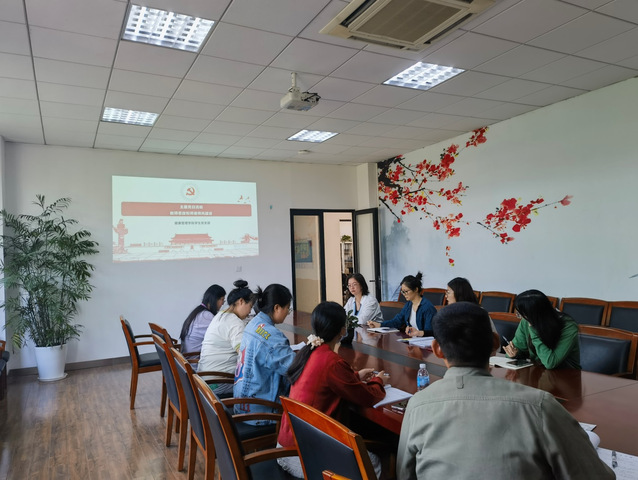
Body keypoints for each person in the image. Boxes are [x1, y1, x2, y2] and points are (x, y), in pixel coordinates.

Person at [396, 302, 614, 480]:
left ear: (437, 349)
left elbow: (404, 474)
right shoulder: (539, 405)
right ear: (495, 343)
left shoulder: (418, 405)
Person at [277, 301, 388, 478]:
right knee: (374, 463)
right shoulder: (332, 362)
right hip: (303, 456)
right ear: (342, 330)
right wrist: (378, 381)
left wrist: (355, 376)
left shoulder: (309, 351)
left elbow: (324, 379)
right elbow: (367, 397)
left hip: (288, 447)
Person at [234, 283, 296, 422]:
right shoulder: (272, 336)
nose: (288, 312)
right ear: (277, 308)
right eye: (288, 308)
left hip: (242, 405)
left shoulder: (253, 323)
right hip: (260, 413)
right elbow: (294, 368)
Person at [198, 280, 254, 396]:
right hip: (217, 384)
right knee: (261, 384)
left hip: (204, 380)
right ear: (241, 301)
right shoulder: (235, 323)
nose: (250, 312)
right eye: (250, 306)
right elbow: (245, 356)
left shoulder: (221, 315)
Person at [504, 289, 581, 369]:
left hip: (566, 373)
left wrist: (533, 330)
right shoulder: (525, 321)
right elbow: (518, 348)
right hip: (538, 371)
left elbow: (550, 362)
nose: (521, 317)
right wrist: (514, 354)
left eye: (521, 314)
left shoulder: (568, 326)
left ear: (534, 315)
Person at [368, 272, 436, 337]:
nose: (404, 294)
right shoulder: (408, 305)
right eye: (402, 292)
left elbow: (430, 332)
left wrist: (418, 333)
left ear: (416, 289)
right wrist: (379, 325)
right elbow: (396, 322)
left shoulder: (427, 307)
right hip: (413, 340)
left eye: (406, 291)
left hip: (424, 342)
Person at [179, 284, 226, 353]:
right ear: (215, 299)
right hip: (195, 358)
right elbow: (220, 338)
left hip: (188, 356)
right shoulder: (206, 316)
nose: (222, 304)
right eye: (222, 299)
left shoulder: (199, 311)